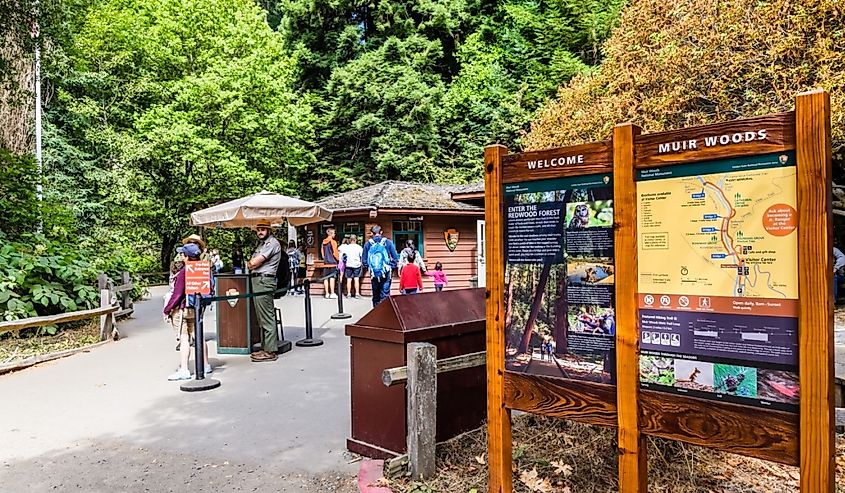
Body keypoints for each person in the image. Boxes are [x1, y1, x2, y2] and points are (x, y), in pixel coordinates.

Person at [164, 242, 212, 380]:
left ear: (186, 257)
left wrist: (168, 309)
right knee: (199, 335)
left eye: (182, 254)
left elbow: (177, 294)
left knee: (185, 337)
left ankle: (184, 369)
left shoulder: (184, 272)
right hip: (198, 307)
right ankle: (206, 364)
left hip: (184, 309)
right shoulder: (203, 269)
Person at [247, 222, 282, 362]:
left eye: (262, 229)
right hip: (259, 281)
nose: (260, 232)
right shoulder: (262, 244)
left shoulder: (272, 243)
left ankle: (270, 351)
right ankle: (265, 347)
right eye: (258, 230)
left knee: (267, 316)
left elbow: (254, 263)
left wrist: (250, 264)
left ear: (268, 230)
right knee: (262, 317)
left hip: (264, 281)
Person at [362, 225, 400, 307]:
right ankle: (385, 313)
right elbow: (395, 257)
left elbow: (364, 260)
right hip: (386, 271)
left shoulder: (368, 244)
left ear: (371, 233)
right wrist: (391, 267)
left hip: (374, 273)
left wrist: (370, 267)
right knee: (385, 293)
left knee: (375, 294)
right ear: (381, 232)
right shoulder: (388, 242)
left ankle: (376, 313)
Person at [321, 228, 340, 299]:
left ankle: (326, 293)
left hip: (326, 263)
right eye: (334, 233)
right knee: (332, 278)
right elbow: (335, 253)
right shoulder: (333, 242)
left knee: (326, 278)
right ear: (331, 234)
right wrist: (338, 259)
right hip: (333, 263)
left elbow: (322, 254)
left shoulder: (323, 242)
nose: (335, 234)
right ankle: (332, 293)